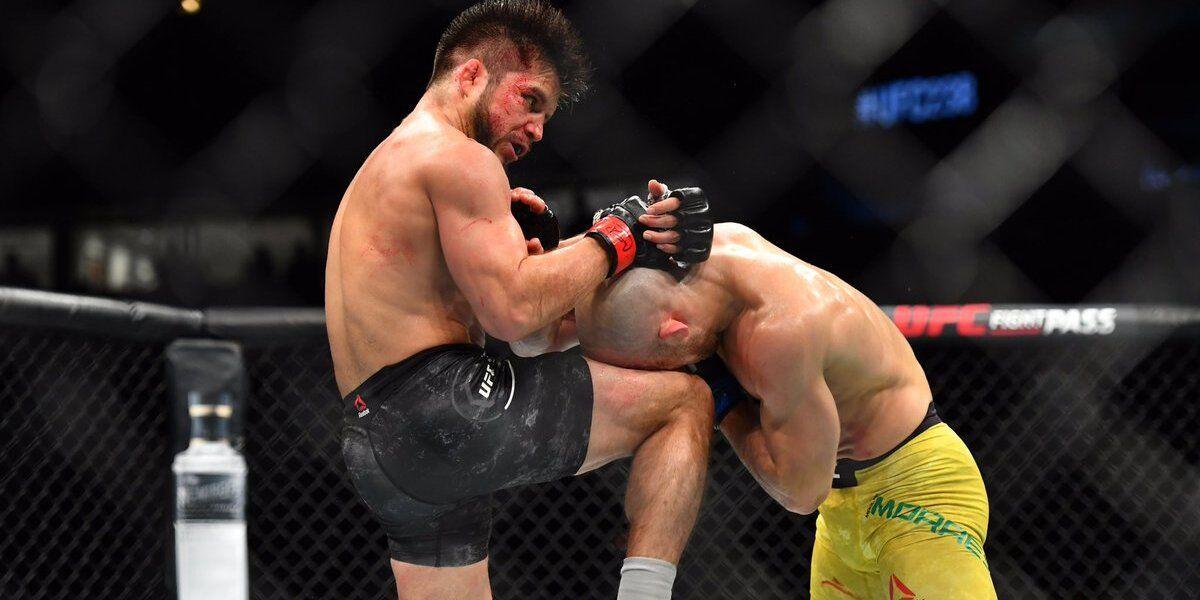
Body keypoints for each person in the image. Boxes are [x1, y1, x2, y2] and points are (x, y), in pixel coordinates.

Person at [324, 2, 715, 598]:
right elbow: (513, 310)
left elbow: (530, 337)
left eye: (546, 117)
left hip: (376, 443)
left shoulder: (388, 163)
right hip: (443, 407)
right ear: (472, 75)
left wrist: (557, 264)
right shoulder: (459, 155)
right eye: (530, 100)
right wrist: (619, 236)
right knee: (685, 402)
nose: (536, 130)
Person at [573, 223, 998, 599]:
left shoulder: (781, 333)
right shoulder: (715, 245)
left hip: (917, 492)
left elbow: (800, 493)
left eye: (661, 363)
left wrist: (720, 400)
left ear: (674, 329)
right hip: (840, 516)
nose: (674, 374)